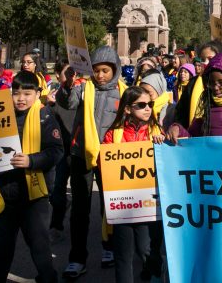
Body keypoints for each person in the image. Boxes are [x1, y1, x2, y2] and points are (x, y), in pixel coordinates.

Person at [0, 71, 63, 283]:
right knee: (1, 247)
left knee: (39, 246)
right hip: (5, 192)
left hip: (35, 195)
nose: (21, 98)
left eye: (27, 93)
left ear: (37, 93)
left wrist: (31, 161)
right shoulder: (0, 116)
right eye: (16, 93)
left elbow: (56, 151)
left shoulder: (45, 116)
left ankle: (48, 279)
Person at [61, 46, 127, 279]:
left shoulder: (124, 93)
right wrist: (67, 84)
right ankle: (77, 258)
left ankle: (108, 247)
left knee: (109, 206)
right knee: (80, 207)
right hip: (82, 155)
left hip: (109, 157)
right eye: (97, 70)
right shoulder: (83, 88)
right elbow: (67, 104)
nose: (100, 75)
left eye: (106, 71)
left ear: (115, 70)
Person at [102, 86, 166, 282]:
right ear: (127, 108)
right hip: (123, 205)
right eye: (142, 105)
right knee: (123, 255)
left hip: (149, 205)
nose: (148, 109)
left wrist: (162, 144)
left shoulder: (157, 132)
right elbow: (104, 162)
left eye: (150, 104)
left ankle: (154, 276)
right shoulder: (113, 135)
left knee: (146, 249)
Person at [48, 60, 76, 241]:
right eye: (68, 73)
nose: (73, 77)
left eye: (75, 73)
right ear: (58, 75)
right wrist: (48, 105)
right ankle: (56, 225)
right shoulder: (52, 97)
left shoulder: (81, 94)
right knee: (57, 188)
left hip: (77, 149)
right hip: (60, 150)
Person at [174, 41, 222, 129]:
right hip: (195, 137)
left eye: (210, 59)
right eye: (202, 59)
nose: (205, 63)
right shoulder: (192, 83)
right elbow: (181, 111)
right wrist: (177, 127)